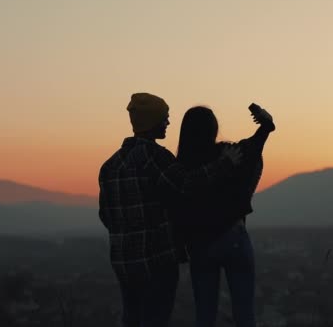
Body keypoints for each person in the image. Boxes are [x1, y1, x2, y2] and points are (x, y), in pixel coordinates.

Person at [98, 93, 243, 327]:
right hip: (157, 260)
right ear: (152, 122)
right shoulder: (155, 157)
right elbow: (187, 185)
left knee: (132, 318)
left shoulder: (110, 166)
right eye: (164, 118)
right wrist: (225, 163)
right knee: (155, 318)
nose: (168, 123)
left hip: (124, 262)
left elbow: (106, 215)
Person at [175, 103, 275, 327]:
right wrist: (265, 128)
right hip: (234, 237)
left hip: (200, 245)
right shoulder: (227, 154)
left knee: (205, 315)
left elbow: (177, 208)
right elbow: (251, 148)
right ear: (213, 128)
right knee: (244, 314)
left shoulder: (181, 167)